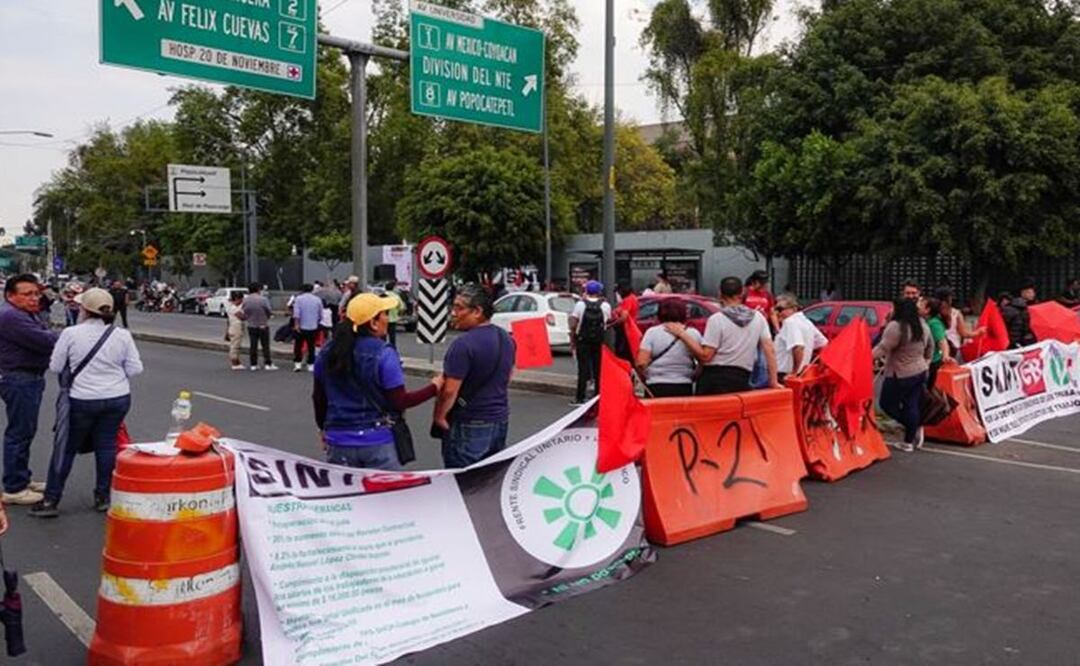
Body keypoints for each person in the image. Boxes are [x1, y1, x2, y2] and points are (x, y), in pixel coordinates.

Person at [31, 288, 142, 517]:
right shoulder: (121, 335)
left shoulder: (71, 334)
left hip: (82, 400)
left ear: (84, 310)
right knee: (107, 446)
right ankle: (103, 496)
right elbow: (135, 369)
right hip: (117, 398)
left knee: (67, 448)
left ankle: (52, 499)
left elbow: (55, 366)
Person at [313, 293, 442, 470]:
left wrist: (323, 429)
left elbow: (319, 397)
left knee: (350, 496)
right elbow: (399, 400)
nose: (387, 319)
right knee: (383, 497)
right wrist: (435, 387)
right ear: (373, 323)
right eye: (385, 314)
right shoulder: (384, 353)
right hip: (377, 441)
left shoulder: (327, 352)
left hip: (338, 440)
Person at [434, 284, 515, 468]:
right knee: (488, 482)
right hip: (499, 420)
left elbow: (449, 391)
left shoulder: (462, 345)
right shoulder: (507, 339)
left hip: (469, 422)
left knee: (463, 483)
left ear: (477, 311)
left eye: (459, 308)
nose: (453, 313)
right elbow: (508, 377)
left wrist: (439, 416)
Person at [0, 274, 58, 505]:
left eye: (36, 293)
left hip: (26, 377)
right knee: (19, 433)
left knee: (25, 430)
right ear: (10, 296)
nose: (34, 299)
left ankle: (21, 478)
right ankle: (14, 487)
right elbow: (46, 341)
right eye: (27, 294)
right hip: (19, 378)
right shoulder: (12, 317)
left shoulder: (25, 314)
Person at [667, 276, 779, 395]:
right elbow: (769, 350)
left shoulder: (717, 319)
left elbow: (706, 356)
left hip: (714, 378)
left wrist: (683, 335)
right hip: (742, 377)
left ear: (720, 293)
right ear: (742, 293)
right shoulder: (758, 318)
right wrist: (773, 381)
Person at [874, 299, 933, 452]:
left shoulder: (897, 327)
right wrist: (926, 361)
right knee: (911, 404)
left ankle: (910, 425)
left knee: (887, 404)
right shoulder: (922, 326)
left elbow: (882, 348)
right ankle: (909, 439)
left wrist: (863, 357)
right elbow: (930, 346)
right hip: (920, 371)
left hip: (899, 373)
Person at [635, 298, 700, 397]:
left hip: (655, 385)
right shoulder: (693, 333)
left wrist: (647, 376)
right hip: (684, 385)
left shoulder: (652, 332)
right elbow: (702, 360)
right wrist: (694, 375)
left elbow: (641, 362)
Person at [568, 280, 612, 405]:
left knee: (583, 369)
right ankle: (598, 396)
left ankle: (580, 397)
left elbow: (574, 322)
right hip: (598, 340)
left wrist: (572, 337)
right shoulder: (605, 305)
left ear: (586, 291)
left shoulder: (580, 305)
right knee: (598, 368)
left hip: (583, 339)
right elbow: (607, 321)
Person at [774, 294, 828, 382]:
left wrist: (794, 372)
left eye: (780, 309)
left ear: (794, 309)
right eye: (776, 309)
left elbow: (798, 347)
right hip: (803, 373)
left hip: (785, 374)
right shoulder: (807, 322)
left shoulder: (790, 322)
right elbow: (824, 344)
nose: (777, 313)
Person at [933, 287, 984, 361]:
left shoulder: (932, 313)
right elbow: (963, 333)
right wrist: (978, 332)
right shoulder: (955, 313)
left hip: (936, 351)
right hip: (953, 349)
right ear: (949, 298)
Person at [242, 283, 277, 371]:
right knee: (265, 345)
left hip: (251, 325)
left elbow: (245, 311)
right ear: (258, 289)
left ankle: (253, 364)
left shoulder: (246, 300)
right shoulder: (263, 299)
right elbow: (268, 310)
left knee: (253, 345)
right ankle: (267, 363)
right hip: (263, 324)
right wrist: (268, 316)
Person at [921, 296, 952, 389]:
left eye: (921, 304)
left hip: (932, 362)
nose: (918, 306)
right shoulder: (928, 321)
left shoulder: (934, 323)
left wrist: (945, 356)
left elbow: (942, 341)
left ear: (927, 310)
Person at [291, 284, 323, 372]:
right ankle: (310, 364)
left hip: (301, 326)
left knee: (298, 345)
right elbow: (320, 314)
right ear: (312, 290)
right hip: (313, 326)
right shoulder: (317, 299)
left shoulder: (298, 299)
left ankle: (298, 364)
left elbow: (296, 314)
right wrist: (317, 321)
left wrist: (296, 325)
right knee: (311, 346)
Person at [1001, 280, 1037, 349]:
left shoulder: (1025, 308)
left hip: (1019, 342)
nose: (1033, 294)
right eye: (1030, 292)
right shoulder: (1013, 308)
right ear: (1023, 293)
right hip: (1013, 344)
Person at [612, 281, 639, 362]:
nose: (618, 294)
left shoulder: (627, 300)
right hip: (631, 328)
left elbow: (624, 317)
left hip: (626, 329)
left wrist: (613, 324)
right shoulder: (633, 298)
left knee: (622, 353)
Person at [224, 291, 246, 370]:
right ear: (237, 298)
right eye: (241, 299)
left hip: (232, 327)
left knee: (235, 344)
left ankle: (237, 362)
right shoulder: (234, 308)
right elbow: (242, 317)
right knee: (235, 346)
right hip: (236, 327)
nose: (242, 301)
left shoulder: (230, 307)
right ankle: (234, 362)